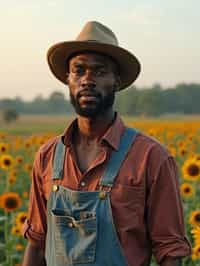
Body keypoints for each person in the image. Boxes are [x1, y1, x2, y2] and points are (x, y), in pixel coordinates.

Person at [22, 21, 191, 266]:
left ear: (117, 81)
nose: (87, 80)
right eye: (78, 71)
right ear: (67, 79)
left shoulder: (151, 158)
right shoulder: (47, 156)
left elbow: (170, 254)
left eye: (100, 72)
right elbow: (36, 244)